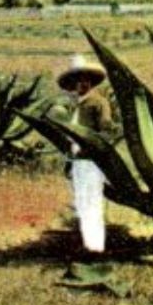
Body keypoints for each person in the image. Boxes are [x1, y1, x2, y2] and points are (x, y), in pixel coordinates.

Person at [49, 53, 115, 255]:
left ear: (91, 81)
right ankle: (89, 246)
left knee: (92, 202)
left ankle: (96, 248)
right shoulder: (76, 105)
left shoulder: (98, 103)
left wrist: (94, 148)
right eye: (76, 80)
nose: (81, 83)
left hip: (92, 162)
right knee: (82, 203)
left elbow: (106, 131)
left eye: (85, 79)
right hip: (78, 161)